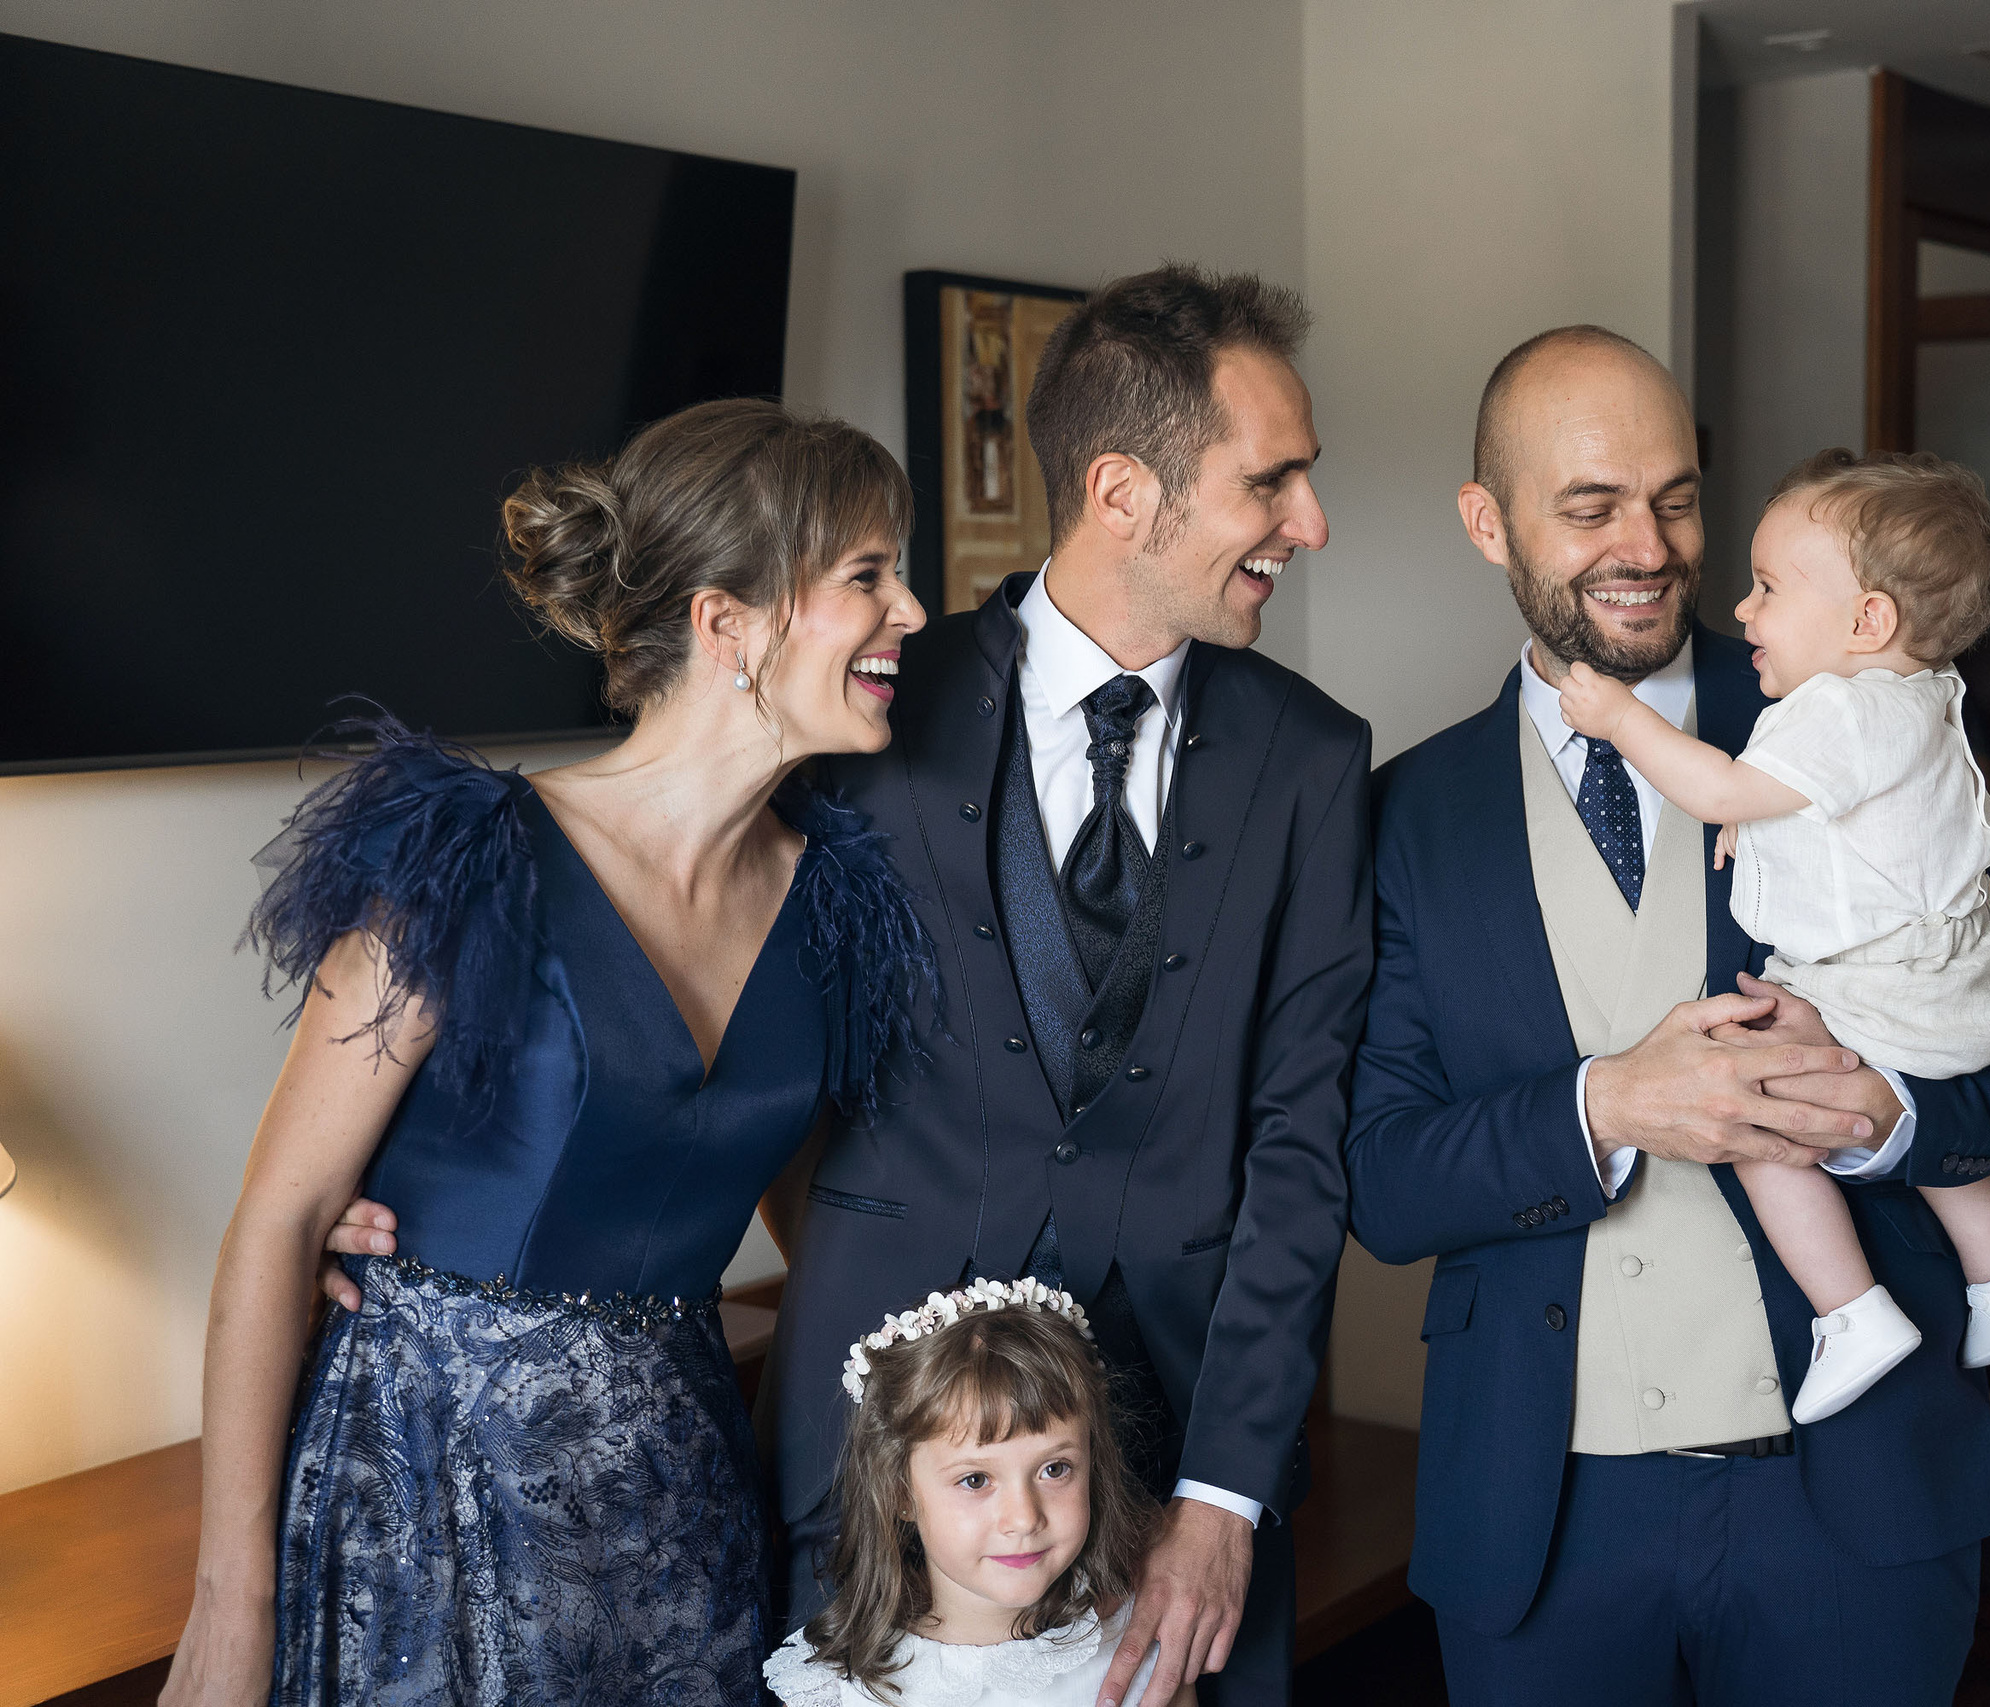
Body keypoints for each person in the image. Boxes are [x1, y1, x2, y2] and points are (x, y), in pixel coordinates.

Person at [315, 266, 1364, 1707]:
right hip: (871, 1447)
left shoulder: (1315, 757)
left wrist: (1225, 1492)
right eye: (1273, 480)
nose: (1310, 521)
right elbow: (666, 978)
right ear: (1122, 491)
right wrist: (383, 1202)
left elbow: (1303, 1141)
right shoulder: (857, 697)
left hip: (1183, 1449)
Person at [1345, 326, 1990, 1706]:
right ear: (1486, 522)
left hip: (1852, 1505)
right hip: (1543, 1517)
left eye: (1677, 500)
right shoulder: (1405, 814)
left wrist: (1892, 1117)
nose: (1647, 546)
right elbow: (1383, 1181)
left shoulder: (1864, 708)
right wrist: (1603, 1106)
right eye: (1591, 507)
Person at [163, 399, 936, 1707]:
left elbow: (824, 1226)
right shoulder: (468, 858)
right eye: (867, 575)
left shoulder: (835, 904)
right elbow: (281, 1220)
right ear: (726, 621)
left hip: (677, 1508)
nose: (910, 609)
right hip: (424, 1496)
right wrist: (230, 1607)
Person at [1558, 449, 1990, 1425]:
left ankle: (1850, 1310)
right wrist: (1762, 827)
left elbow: (1717, 788)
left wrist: (1618, 717)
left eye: (1769, 588)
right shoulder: (1927, 695)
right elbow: (1857, 819)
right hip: (1963, 992)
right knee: (1929, 1097)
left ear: (1866, 621)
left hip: (1879, 990)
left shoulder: (1833, 705)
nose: (1743, 609)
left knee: (1751, 1112)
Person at [762, 1278, 1194, 1707]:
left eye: (1054, 1469)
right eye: (975, 1480)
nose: (1024, 1518)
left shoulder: (1143, 1633)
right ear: (900, 1494)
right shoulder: (846, 1690)